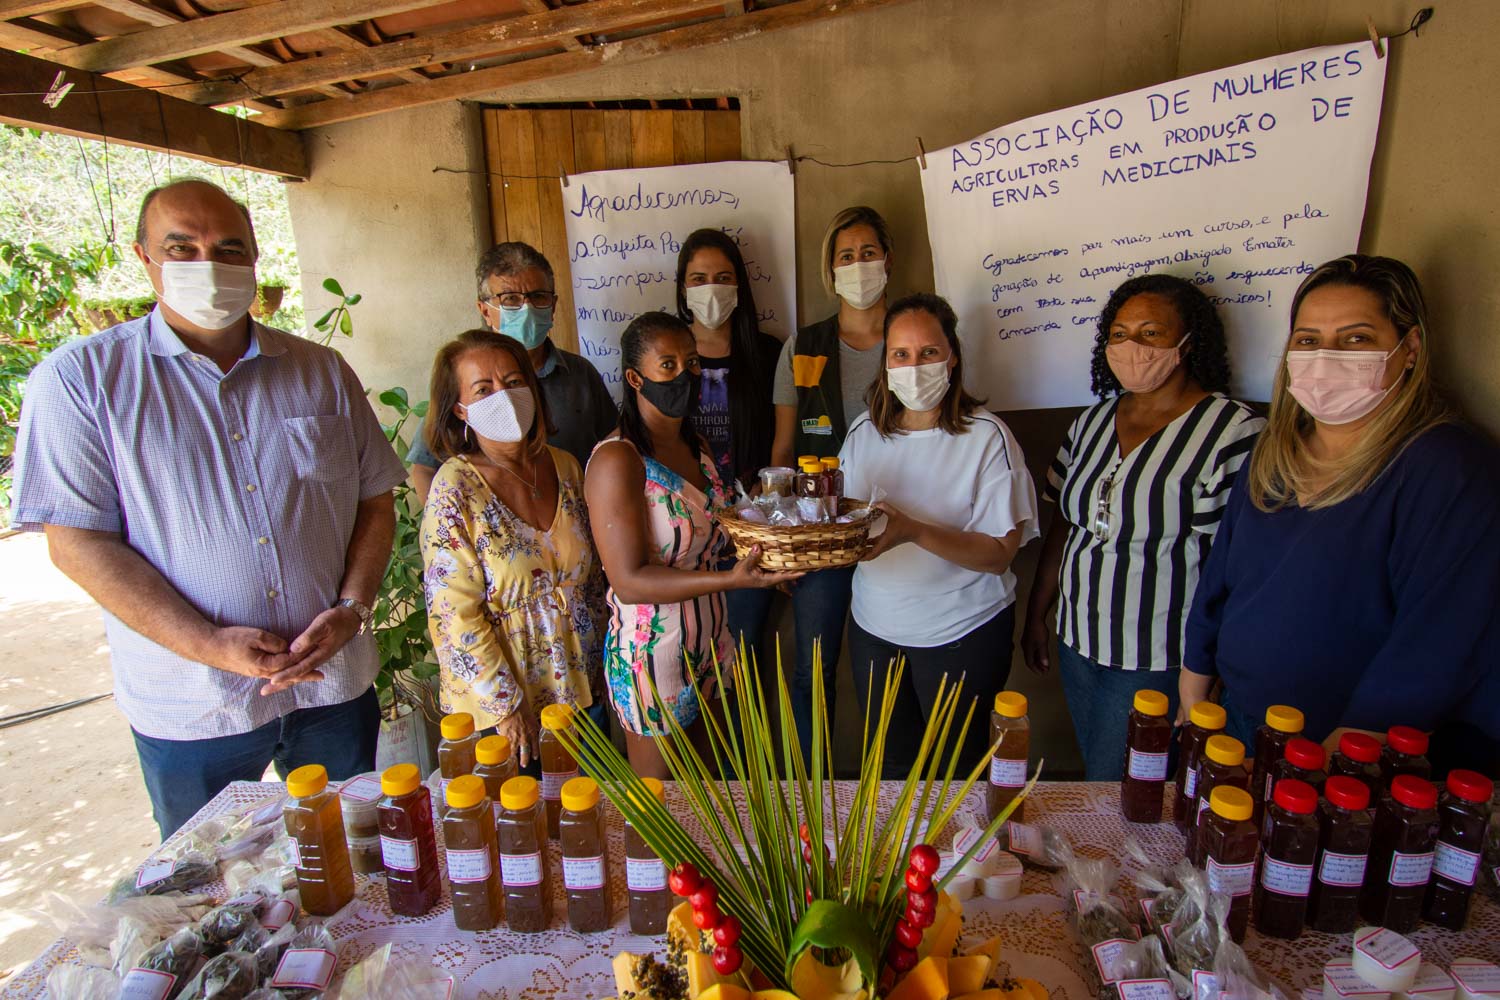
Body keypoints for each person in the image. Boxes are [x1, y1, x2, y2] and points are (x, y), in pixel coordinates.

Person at [9, 179, 405, 839]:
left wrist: (355, 608)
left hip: (331, 686)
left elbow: (373, 499)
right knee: (211, 885)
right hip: (194, 707)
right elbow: (77, 542)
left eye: (227, 249)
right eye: (182, 249)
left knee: (351, 856)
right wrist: (205, 644)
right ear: (144, 258)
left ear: (253, 258)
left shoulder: (320, 371)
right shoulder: (82, 381)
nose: (209, 267)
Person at [1182, 255, 1500, 773]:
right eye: (1308, 340)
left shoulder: (1445, 468)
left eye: (1355, 339)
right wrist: (1194, 685)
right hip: (1240, 719)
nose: (1325, 357)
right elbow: (1224, 572)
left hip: (1346, 751)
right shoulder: (1277, 450)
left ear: (1410, 348)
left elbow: (1439, 642)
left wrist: (1335, 763)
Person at [1021, 274, 1263, 780]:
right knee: (1102, 769)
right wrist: (1037, 613)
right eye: (1119, 332)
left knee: (1117, 784)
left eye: (1151, 332)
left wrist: (1215, 669)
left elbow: (1238, 568)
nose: (1132, 345)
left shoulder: (1230, 431)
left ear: (1188, 342)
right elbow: (1065, 525)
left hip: (1159, 655)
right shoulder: (1091, 423)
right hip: (1078, 639)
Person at [584, 312, 800, 779]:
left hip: (712, 645)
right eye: (668, 365)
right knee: (663, 816)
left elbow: (717, 534)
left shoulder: (696, 446)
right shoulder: (618, 460)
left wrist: (777, 549)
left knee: (711, 801)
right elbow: (630, 580)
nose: (686, 375)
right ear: (634, 378)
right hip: (654, 655)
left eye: (693, 363)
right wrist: (732, 580)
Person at [840, 293, 1039, 778]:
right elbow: (842, 522)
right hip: (874, 632)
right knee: (890, 772)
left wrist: (913, 530)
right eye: (900, 355)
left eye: (928, 352)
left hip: (960, 635)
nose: (914, 366)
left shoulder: (987, 437)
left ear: (952, 356)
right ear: (885, 363)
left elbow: (998, 554)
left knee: (958, 776)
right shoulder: (864, 431)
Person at [419, 331, 607, 769]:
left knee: (591, 822)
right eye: (483, 389)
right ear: (460, 409)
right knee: (522, 829)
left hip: (583, 693)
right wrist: (506, 709)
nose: (503, 397)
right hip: (507, 713)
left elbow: (592, 581)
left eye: (513, 382)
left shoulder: (565, 467)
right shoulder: (455, 487)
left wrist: (601, 673)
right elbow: (453, 617)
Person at [769, 205, 894, 765]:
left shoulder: (912, 340)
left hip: (895, 532)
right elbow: (781, 451)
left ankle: (882, 793)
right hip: (817, 539)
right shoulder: (803, 348)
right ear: (830, 269)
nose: (859, 265)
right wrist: (776, 546)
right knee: (813, 665)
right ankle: (810, 791)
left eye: (868, 252)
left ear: (887, 259)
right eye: (847, 256)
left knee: (888, 669)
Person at [407, 242, 616, 503]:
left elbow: (612, 443)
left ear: (552, 305)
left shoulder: (580, 374)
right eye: (510, 299)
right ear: (485, 310)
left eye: (538, 296)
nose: (526, 308)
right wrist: (450, 529)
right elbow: (425, 467)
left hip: (573, 525)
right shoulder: (464, 379)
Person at [674, 229, 785, 661]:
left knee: (743, 659)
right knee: (688, 658)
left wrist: (768, 507)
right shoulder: (669, 355)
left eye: (723, 276)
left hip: (748, 529)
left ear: (740, 284)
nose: (711, 289)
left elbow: (782, 438)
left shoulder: (767, 353)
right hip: (684, 532)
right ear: (683, 287)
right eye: (698, 278)